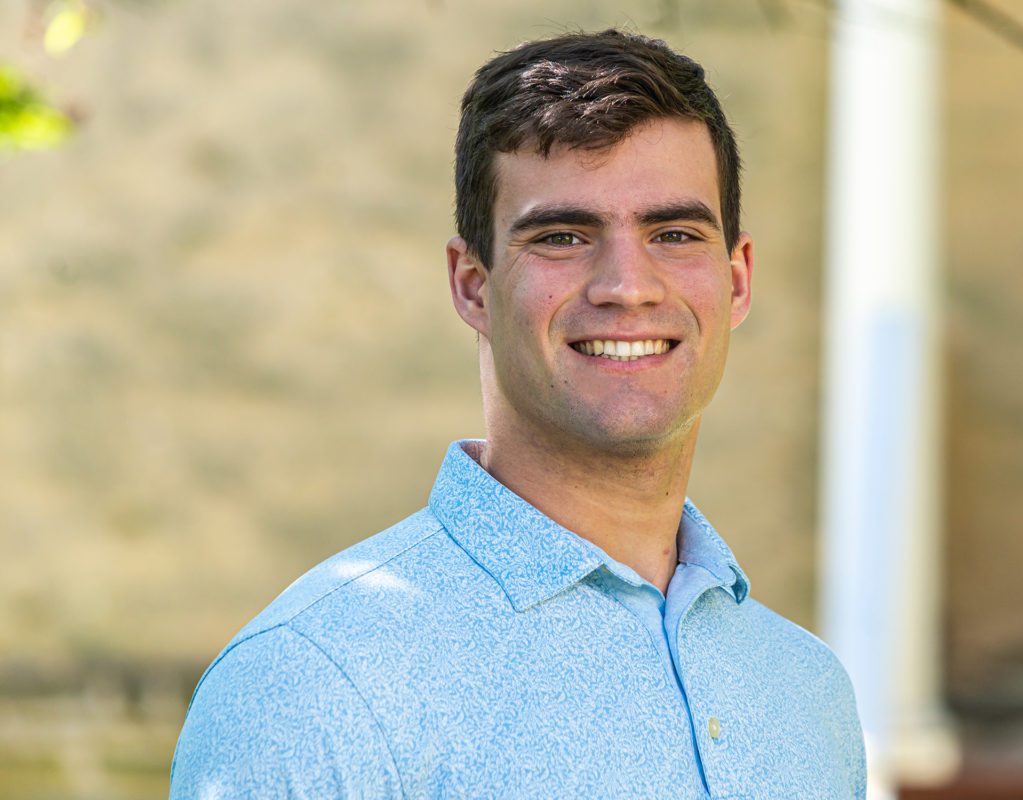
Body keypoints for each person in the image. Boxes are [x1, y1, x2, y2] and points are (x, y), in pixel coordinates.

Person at [170, 29, 866, 799]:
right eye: (563, 237)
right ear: (472, 285)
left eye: (674, 234)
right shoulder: (311, 684)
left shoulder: (808, 694)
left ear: (737, 281)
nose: (627, 287)